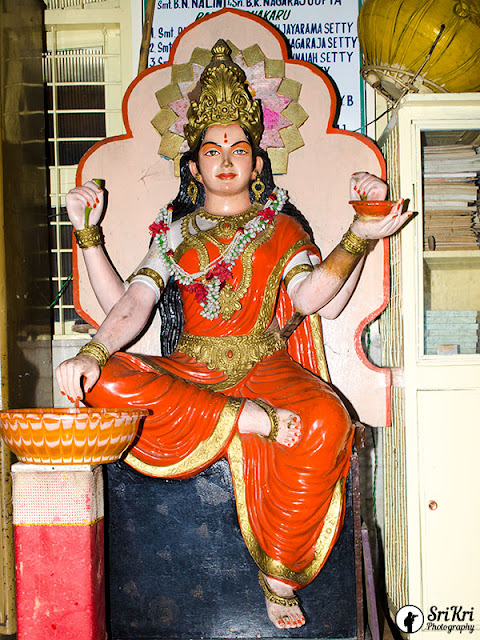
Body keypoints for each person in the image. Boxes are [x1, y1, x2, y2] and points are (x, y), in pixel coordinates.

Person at [56, 40, 409, 630]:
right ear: (193, 167)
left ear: (257, 164)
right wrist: (92, 340)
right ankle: (242, 418)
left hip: (266, 368)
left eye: (239, 149)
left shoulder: (281, 229)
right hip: (191, 368)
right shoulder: (174, 235)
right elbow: (134, 303)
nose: (226, 160)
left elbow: (311, 298)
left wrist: (359, 234)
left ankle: (280, 572)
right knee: (104, 381)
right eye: (212, 150)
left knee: (327, 418)